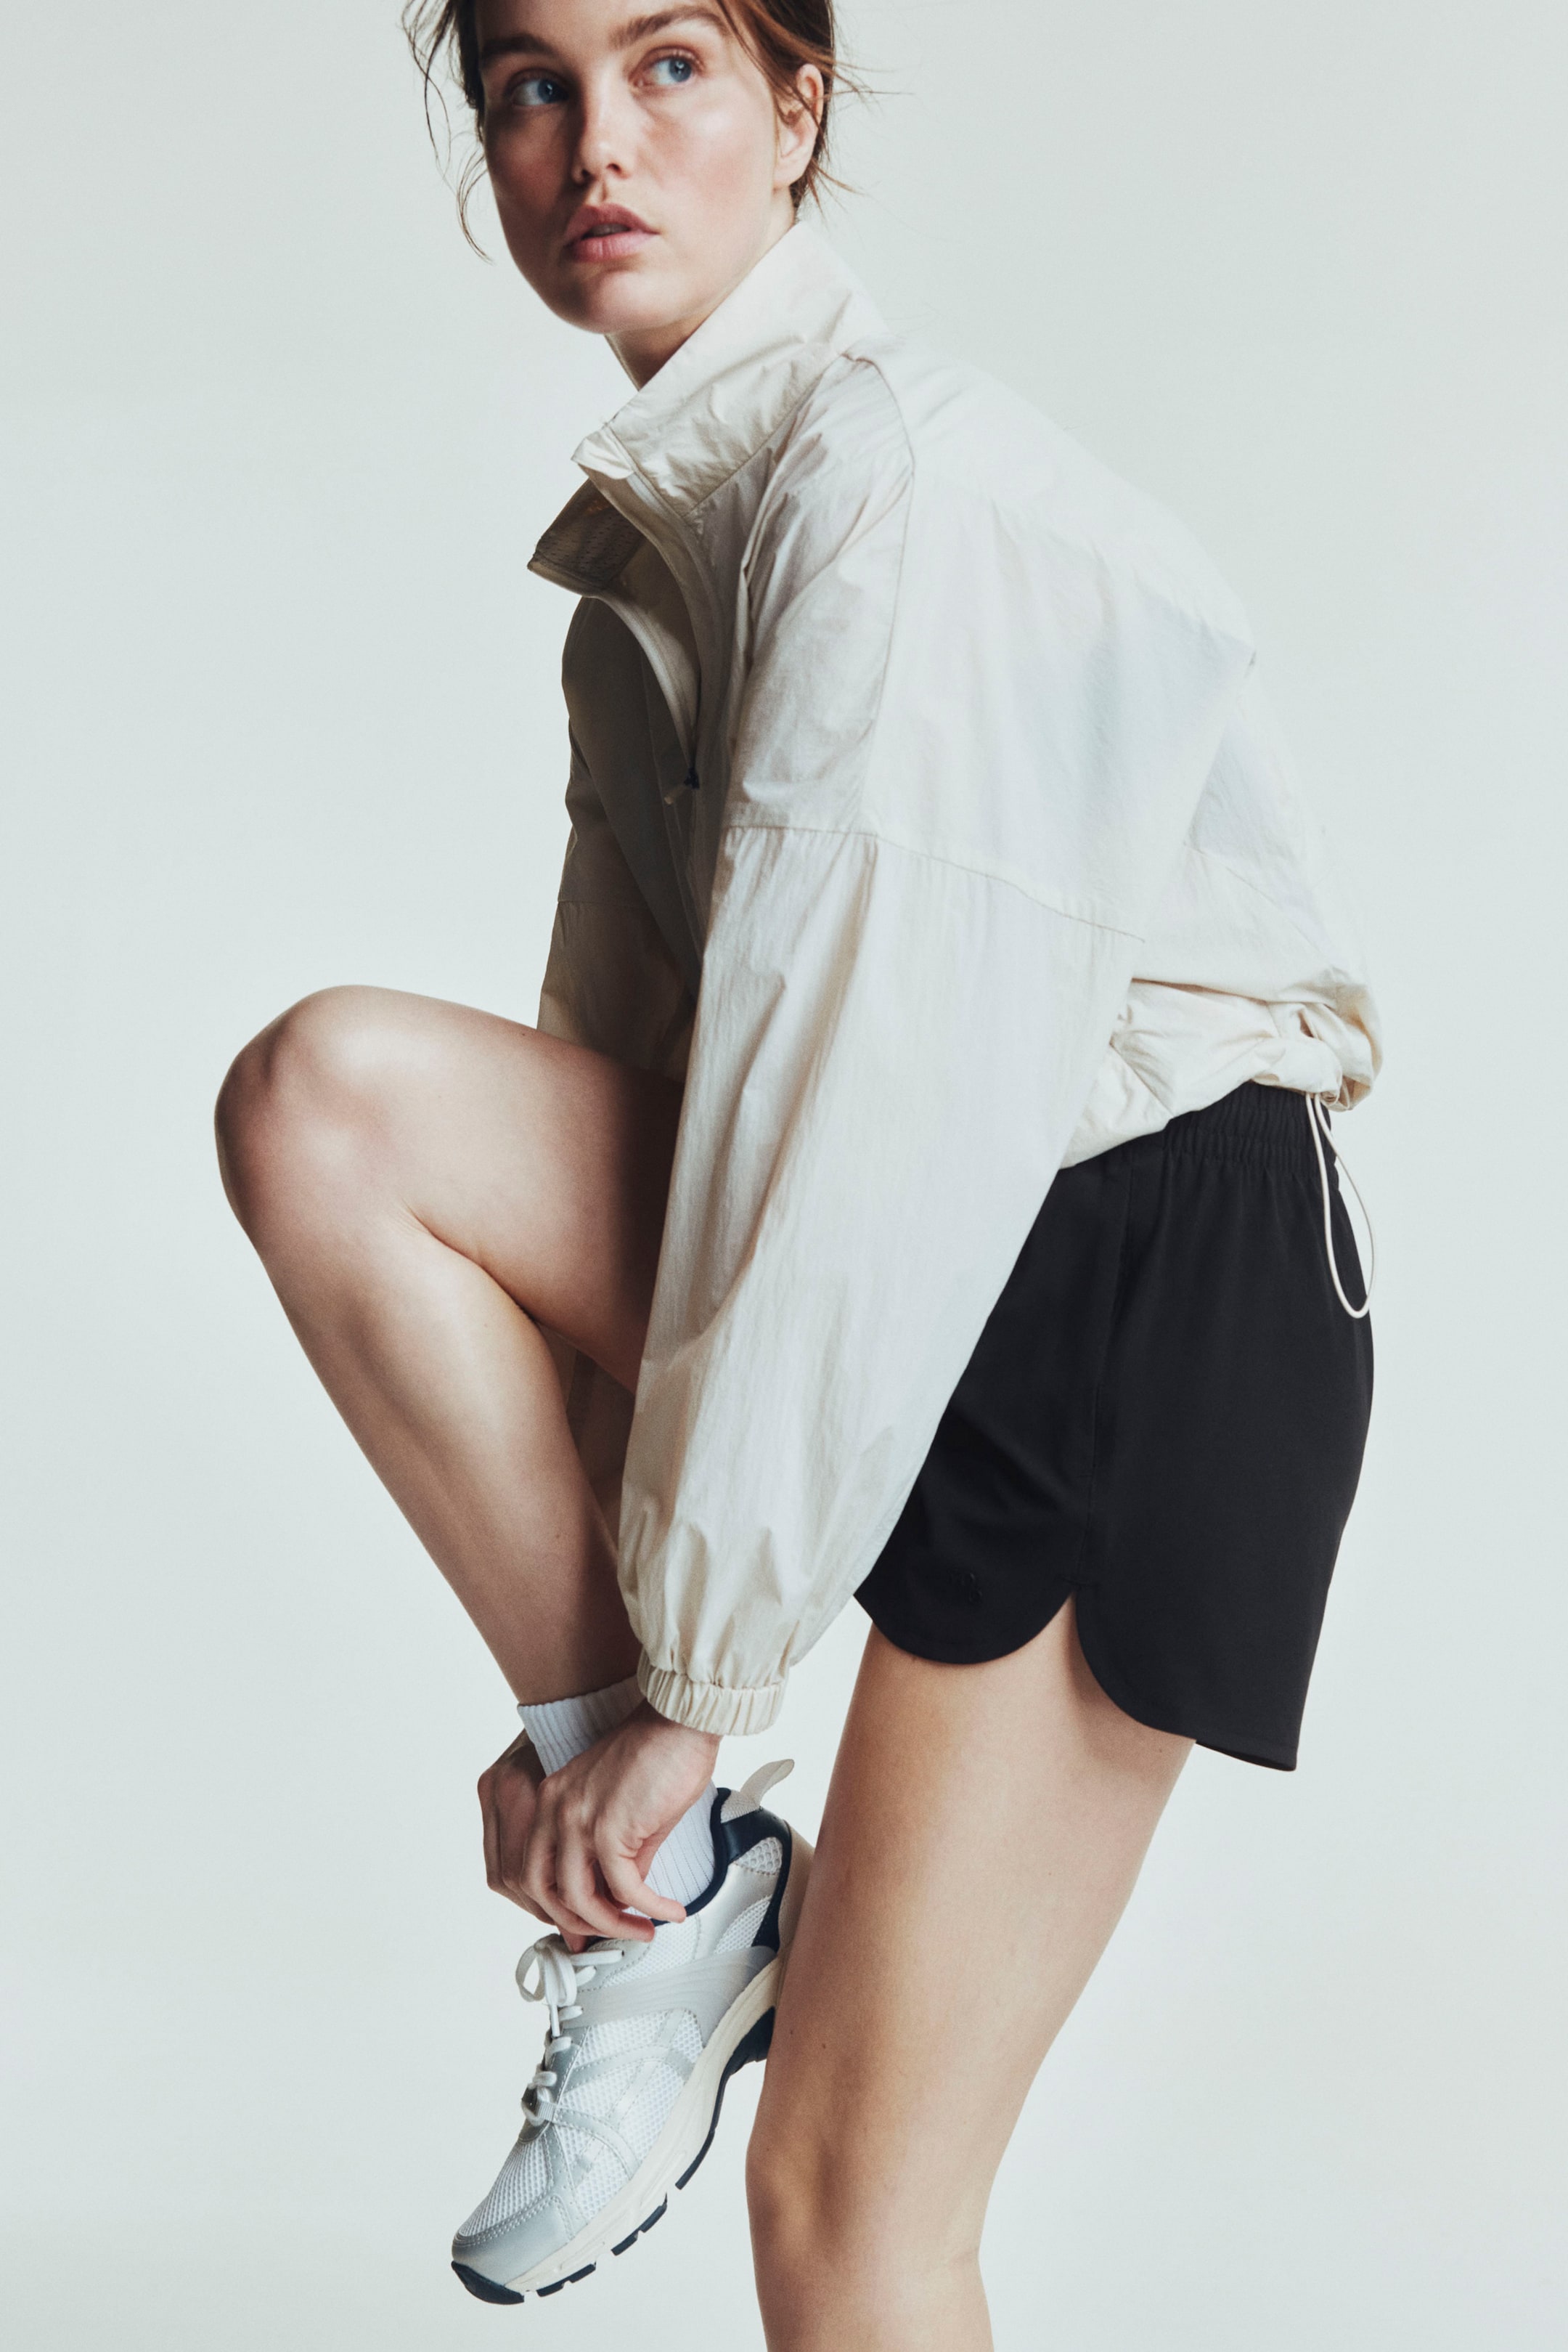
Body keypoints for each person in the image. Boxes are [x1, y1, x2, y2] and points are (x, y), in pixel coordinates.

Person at [214, 0, 1379, 2340]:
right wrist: (608, 1723)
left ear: (797, 106)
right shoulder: (667, 547)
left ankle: (678, 1846)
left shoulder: (893, 496)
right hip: (919, 1224)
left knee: (851, 2214)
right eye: (531, 87)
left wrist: (696, 1692)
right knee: (333, 1106)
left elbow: (871, 1120)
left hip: (1135, 1263)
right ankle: (689, 1913)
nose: (593, 145)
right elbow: (675, 1099)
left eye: (669, 67)